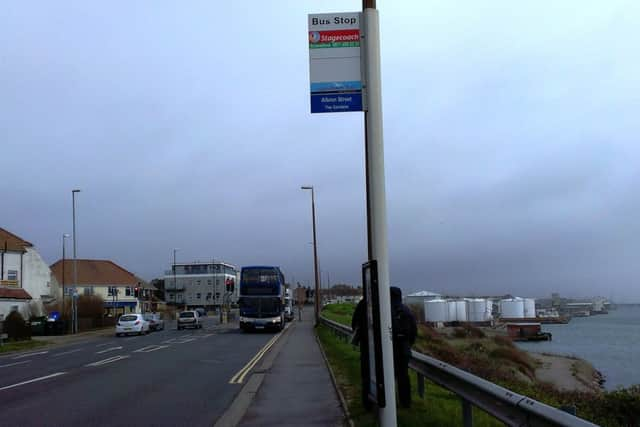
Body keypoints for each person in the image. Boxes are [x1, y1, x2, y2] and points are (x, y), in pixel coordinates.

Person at [390, 286, 417, 408]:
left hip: (390, 350)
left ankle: (391, 404)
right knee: (403, 377)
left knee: (389, 377)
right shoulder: (407, 310)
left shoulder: (385, 310)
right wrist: (407, 344)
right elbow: (414, 332)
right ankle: (406, 403)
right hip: (404, 349)